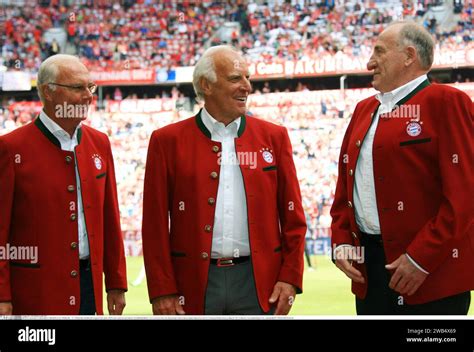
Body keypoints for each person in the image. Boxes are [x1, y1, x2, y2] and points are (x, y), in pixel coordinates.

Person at [142, 45, 306, 315]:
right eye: (235, 79)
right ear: (206, 85)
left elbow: (293, 218)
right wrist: (162, 289)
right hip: (193, 284)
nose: (246, 87)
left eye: (247, 79)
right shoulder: (166, 141)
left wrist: (290, 278)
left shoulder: (274, 137)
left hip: (259, 283)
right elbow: (154, 225)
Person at [331, 21, 473, 315]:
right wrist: (342, 241)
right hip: (370, 272)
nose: (370, 62)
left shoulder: (447, 101)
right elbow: (345, 189)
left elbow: (465, 195)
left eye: (379, 52)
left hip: (432, 275)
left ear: (409, 56)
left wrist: (421, 258)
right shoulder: (363, 110)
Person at [0, 54, 127, 315]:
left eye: (89, 87)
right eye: (78, 88)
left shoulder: (100, 143)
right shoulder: (11, 148)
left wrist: (116, 282)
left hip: (89, 287)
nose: (88, 96)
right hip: (35, 292)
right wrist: (2, 295)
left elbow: (110, 219)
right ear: (49, 92)